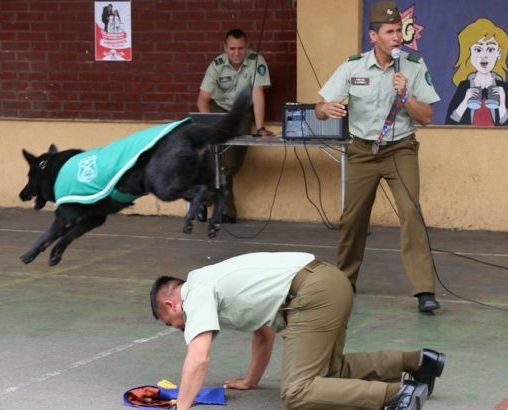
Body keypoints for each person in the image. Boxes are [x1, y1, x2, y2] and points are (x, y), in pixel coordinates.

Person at [150, 252, 446, 409]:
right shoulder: (213, 281)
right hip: (329, 281)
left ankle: (397, 395)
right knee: (329, 371)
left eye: (170, 322)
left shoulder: (195, 291)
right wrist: (250, 381)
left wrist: (182, 408)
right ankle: (419, 362)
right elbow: (263, 334)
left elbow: (198, 357)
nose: (177, 328)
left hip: (311, 294)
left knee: (297, 392)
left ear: (170, 304)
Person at [314, 1, 441, 312]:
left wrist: (406, 96)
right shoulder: (353, 66)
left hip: (400, 149)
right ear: (374, 36)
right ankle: (345, 280)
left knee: (411, 212)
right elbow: (319, 108)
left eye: (399, 31)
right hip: (362, 151)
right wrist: (326, 109)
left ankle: (424, 290)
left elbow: (426, 117)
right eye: (389, 32)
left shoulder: (414, 66)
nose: (397, 37)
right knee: (352, 218)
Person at [197, 28, 274, 223]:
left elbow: (258, 94)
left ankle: (204, 196)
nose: (237, 53)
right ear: (225, 48)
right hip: (218, 110)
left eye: (241, 48)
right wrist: (208, 126)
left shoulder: (256, 61)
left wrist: (260, 127)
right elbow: (203, 99)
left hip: (241, 113)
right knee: (216, 160)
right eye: (232, 48)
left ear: (247, 47)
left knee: (232, 163)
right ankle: (227, 212)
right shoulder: (217, 65)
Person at [446, 18, 508, 126]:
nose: (484, 55)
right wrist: (464, 102)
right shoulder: (464, 86)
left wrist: (502, 104)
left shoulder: (503, 87)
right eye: (478, 50)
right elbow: (449, 124)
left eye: (491, 49)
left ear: (499, 53)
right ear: (469, 52)